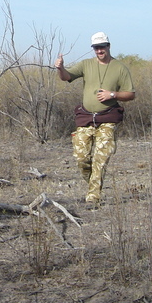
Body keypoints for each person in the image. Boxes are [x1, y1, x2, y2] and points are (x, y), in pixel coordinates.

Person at [55, 32, 135, 205]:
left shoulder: (120, 68)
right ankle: (94, 184)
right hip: (86, 118)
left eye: (102, 47)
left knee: (100, 158)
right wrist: (60, 68)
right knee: (81, 158)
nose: (99, 50)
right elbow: (66, 77)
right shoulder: (86, 64)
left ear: (109, 46)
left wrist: (112, 94)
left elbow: (130, 94)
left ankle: (93, 198)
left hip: (108, 119)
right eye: (96, 48)